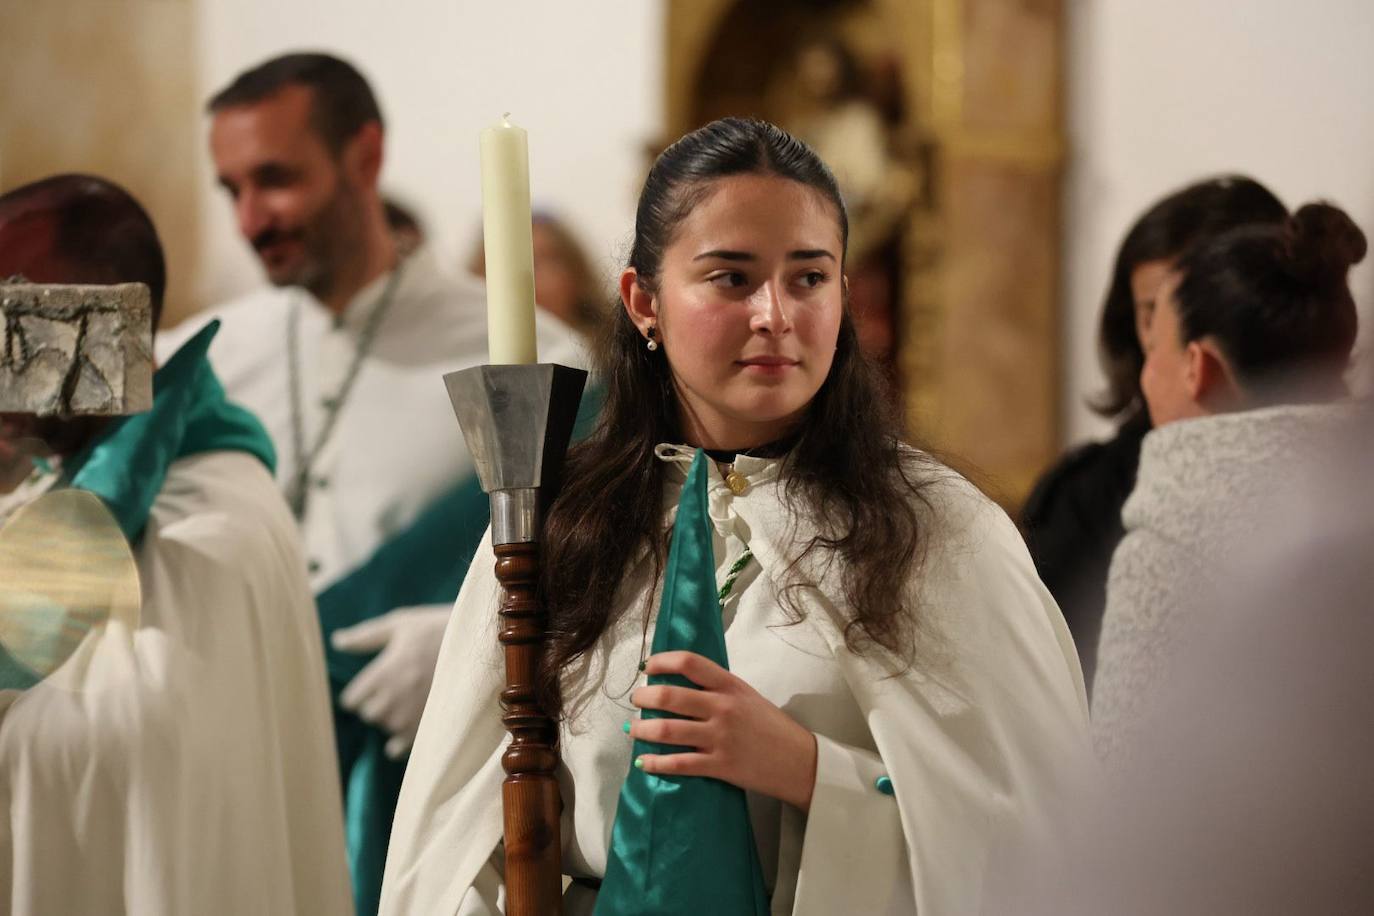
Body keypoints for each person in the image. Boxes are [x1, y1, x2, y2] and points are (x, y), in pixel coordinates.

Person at [381, 118, 1090, 915]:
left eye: (809, 278)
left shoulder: (938, 534)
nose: (774, 315)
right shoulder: (559, 526)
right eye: (731, 278)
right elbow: (450, 853)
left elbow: (1042, 848)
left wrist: (807, 769)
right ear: (643, 302)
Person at [161, 52, 585, 915]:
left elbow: (600, 570)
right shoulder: (193, 357)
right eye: (231, 188)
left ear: (363, 157)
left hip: (405, 784)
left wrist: (466, 644)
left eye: (275, 180)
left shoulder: (529, 354)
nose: (251, 218)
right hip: (219, 765)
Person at [0, 175, 351, 914]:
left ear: (108, 324)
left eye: (18, 327)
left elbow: (135, 747)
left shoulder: (219, 514)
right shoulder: (45, 477)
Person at [1092, 201, 1364, 759]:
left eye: (1156, 346)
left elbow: (1134, 790)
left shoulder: (1166, 550)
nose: (1146, 373)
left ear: (1198, 366)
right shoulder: (1353, 510)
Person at [1021, 176, 1287, 685]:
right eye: (1152, 313)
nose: (1176, 339)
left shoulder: (1347, 477)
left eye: (1197, 311)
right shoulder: (1084, 498)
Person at [468, 210, 608, 339]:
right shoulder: (466, 354)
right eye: (509, 263)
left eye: (542, 262)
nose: (524, 280)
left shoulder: (612, 354)